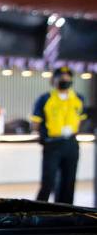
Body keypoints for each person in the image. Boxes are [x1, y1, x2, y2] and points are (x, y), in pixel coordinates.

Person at [31, 66, 87, 204]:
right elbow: (35, 123)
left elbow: (81, 120)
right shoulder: (45, 98)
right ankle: (38, 211)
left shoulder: (78, 98)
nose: (65, 80)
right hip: (52, 144)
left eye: (68, 78)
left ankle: (66, 212)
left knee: (69, 182)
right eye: (61, 78)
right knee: (48, 182)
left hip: (71, 144)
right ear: (54, 80)